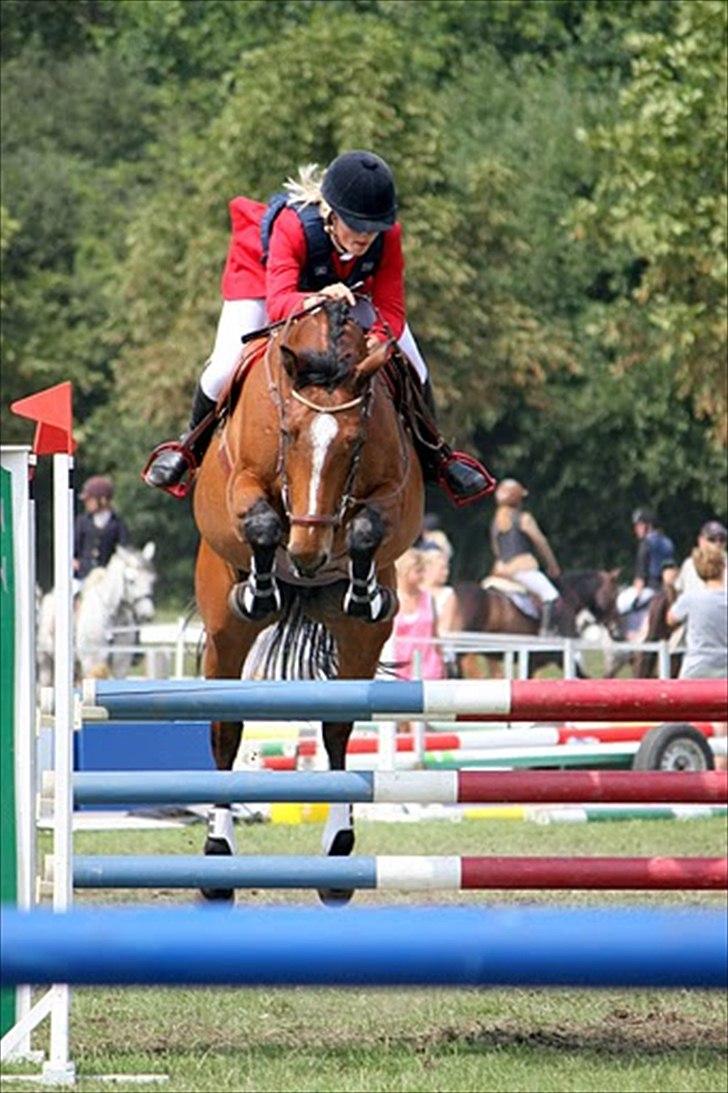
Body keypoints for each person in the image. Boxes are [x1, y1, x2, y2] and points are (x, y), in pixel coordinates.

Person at [144, 150, 493, 506]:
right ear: (330, 213)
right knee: (223, 367)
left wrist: (376, 340)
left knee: (414, 364)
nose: (365, 237)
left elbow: (390, 306)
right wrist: (314, 299)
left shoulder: (387, 237)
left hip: (349, 293)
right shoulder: (293, 227)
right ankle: (188, 448)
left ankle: (436, 456)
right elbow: (279, 301)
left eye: (374, 229)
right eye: (356, 226)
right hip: (265, 285)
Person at [489, 478, 561, 635]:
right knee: (551, 595)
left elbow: (496, 549)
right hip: (522, 569)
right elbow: (541, 543)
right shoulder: (524, 519)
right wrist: (552, 565)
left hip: (500, 570)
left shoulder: (495, 522)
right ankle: (546, 632)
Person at [390, 548, 445, 682]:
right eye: (418, 571)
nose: (422, 576)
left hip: (430, 667)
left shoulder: (428, 599)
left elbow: (435, 633)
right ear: (405, 571)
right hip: (399, 668)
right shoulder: (393, 600)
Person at [73, 476, 129, 582]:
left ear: (103, 500)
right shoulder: (82, 521)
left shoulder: (117, 524)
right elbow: (73, 547)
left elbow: (123, 550)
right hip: (83, 576)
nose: (86, 503)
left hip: (108, 578)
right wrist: (73, 561)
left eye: (89, 500)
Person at [676, 520, 727, 594]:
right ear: (701, 540)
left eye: (722, 539)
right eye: (712, 539)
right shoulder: (689, 564)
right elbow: (679, 592)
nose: (718, 543)